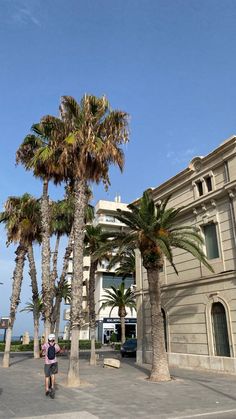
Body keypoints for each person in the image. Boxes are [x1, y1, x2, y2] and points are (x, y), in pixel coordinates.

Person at [42, 333, 60, 399]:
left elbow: (43, 351)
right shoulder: (56, 345)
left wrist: (44, 353)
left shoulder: (46, 345)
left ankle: (47, 389)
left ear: (48, 339)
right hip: (54, 362)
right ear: (54, 339)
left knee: (47, 376)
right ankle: (52, 386)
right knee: (53, 374)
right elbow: (58, 351)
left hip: (47, 362)